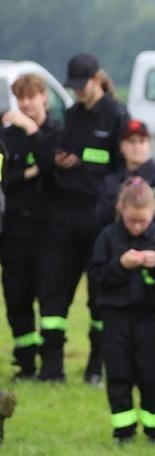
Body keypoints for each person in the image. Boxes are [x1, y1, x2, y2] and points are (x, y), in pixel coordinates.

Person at [40, 53, 128, 384]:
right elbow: (61, 148)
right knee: (53, 293)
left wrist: (85, 165)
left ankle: (95, 368)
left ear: (95, 80)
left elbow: (119, 166)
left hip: (100, 219)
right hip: (65, 216)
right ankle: (51, 370)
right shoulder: (73, 115)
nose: (77, 92)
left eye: (81, 86)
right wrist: (59, 160)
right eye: (73, 87)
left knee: (99, 299)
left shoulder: (117, 115)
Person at [88, 178, 155, 444]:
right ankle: (123, 430)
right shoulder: (108, 237)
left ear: (153, 213)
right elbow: (97, 277)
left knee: (150, 376)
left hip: (147, 318)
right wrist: (120, 265)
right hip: (115, 317)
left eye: (142, 221)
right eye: (131, 220)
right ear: (121, 209)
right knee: (118, 374)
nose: (136, 227)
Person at [2, 73, 58, 377]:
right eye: (20, 98)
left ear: (44, 97)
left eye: (31, 97)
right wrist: (26, 173)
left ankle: (51, 365)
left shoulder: (57, 133)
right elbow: (3, 180)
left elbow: (51, 170)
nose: (25, 104)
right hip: (13, 232)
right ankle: (25, 363)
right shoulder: (6, 137)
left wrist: (33, 133)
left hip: (48, 232)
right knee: (16, 298)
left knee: (48, 299)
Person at [96, 119, 155, 228]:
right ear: (121, 146)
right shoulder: (111, 181)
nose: (136, 147)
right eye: (131, 141)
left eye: (142, 141)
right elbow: (101, 218)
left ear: (149, 144)